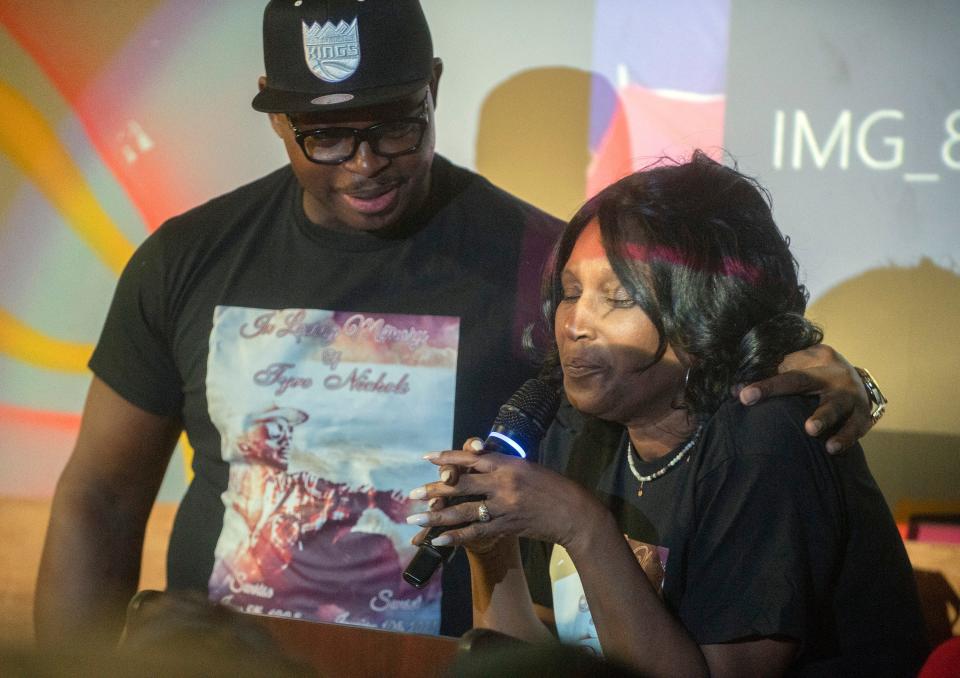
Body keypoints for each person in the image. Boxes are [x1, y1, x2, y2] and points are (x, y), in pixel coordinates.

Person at [35, 1, 878, 644]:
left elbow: (700, 348)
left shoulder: (547, 266)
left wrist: (817, 362)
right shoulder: (187, 258)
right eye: (326, 134)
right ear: (273, 113)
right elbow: (101, 497)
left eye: (397, 124)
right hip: (220, 658)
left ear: (433, 88)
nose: (366, 162)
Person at [408, 152, 928, 675]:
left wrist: (582, 524)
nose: (575, 323)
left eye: (618, 299)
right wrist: (491, 549)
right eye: (570, 293)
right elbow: (536, 667)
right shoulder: (579, 425)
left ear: (706, 310)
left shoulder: (763, 442)